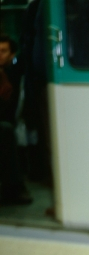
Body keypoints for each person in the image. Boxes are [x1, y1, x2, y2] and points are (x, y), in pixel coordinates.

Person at [0, 34, 32, 206]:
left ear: (12, 55)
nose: (0, 55)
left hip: (7, 120)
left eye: (3, 51)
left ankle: (13, 188)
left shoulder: (13, 74)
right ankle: (14, 188)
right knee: (5, 130)